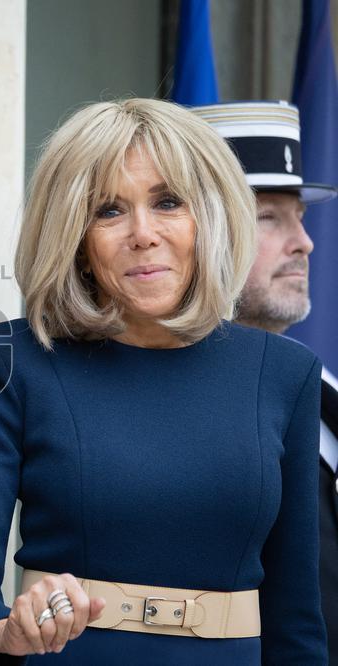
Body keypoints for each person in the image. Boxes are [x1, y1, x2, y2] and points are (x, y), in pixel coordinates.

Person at [0, 98, 327, 664]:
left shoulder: (286, 373)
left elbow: (296, 614)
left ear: (208, 218)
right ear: (77, 240)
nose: (143, 233)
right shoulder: (6, 358)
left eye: (168, 202)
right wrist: (2, 630)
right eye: (108, 211)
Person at [192, 100, 338, 664]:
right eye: (269, 217)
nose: (304, 242)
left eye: (299, 216)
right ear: (200, 231)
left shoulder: (320, 385)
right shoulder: (169, 395)